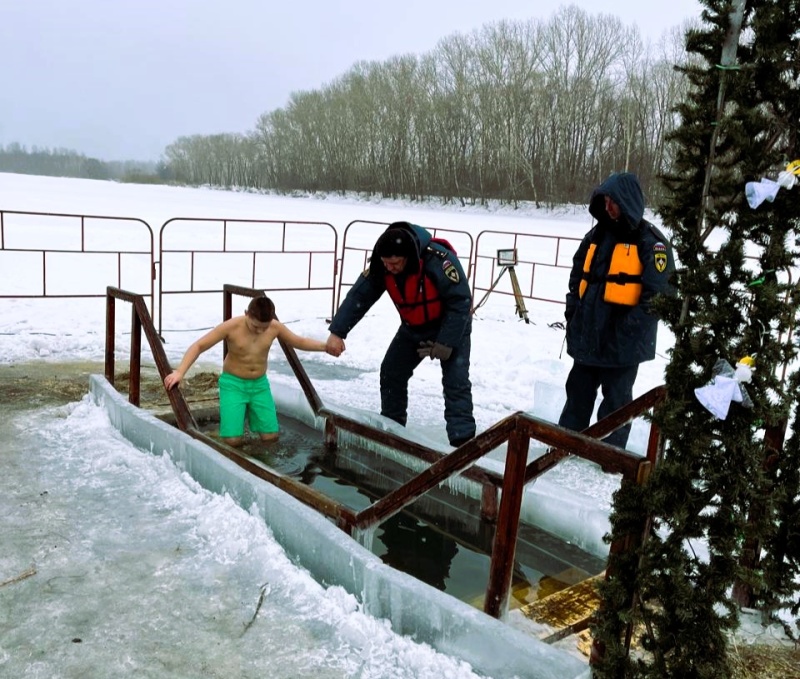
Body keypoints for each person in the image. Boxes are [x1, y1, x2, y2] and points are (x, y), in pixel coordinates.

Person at [326, 221, 476, 447]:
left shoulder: (439, 260)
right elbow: (359, 297)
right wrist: (338, 332)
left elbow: (461, 301)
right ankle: (392, 430)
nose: (390, 268)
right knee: (391, 373)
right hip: (413, 328)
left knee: (456, 383)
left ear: (408, 257)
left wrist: (446, 343)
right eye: (386, 263)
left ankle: (463, 444)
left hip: (450, 326)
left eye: (395, 263)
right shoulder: (380, 265)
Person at [558, 172, 675, 449]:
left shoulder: (652, 243)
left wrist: (626, 329)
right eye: (606, 201)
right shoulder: (596, 235)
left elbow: (659, 296)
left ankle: (610, 454)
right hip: (588, 336)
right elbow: (577, 278)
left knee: (617, 401)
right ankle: (564, 443)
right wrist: (573, 312)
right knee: (577, 392)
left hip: (622, 344)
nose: (608, 207)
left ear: (628, 202)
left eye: (614, 201)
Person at [164, 295, 338, 446]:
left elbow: (298, 341)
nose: (260, 331)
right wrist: (180, 372)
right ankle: (221, 437)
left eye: (265, 327)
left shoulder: (274, 327)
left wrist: (325, 347)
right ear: (247, 313)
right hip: (233, 384)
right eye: (255, 327)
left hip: (259, 386)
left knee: (271, 437)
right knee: (232, 440)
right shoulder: (231, 327)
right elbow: (199, 345)